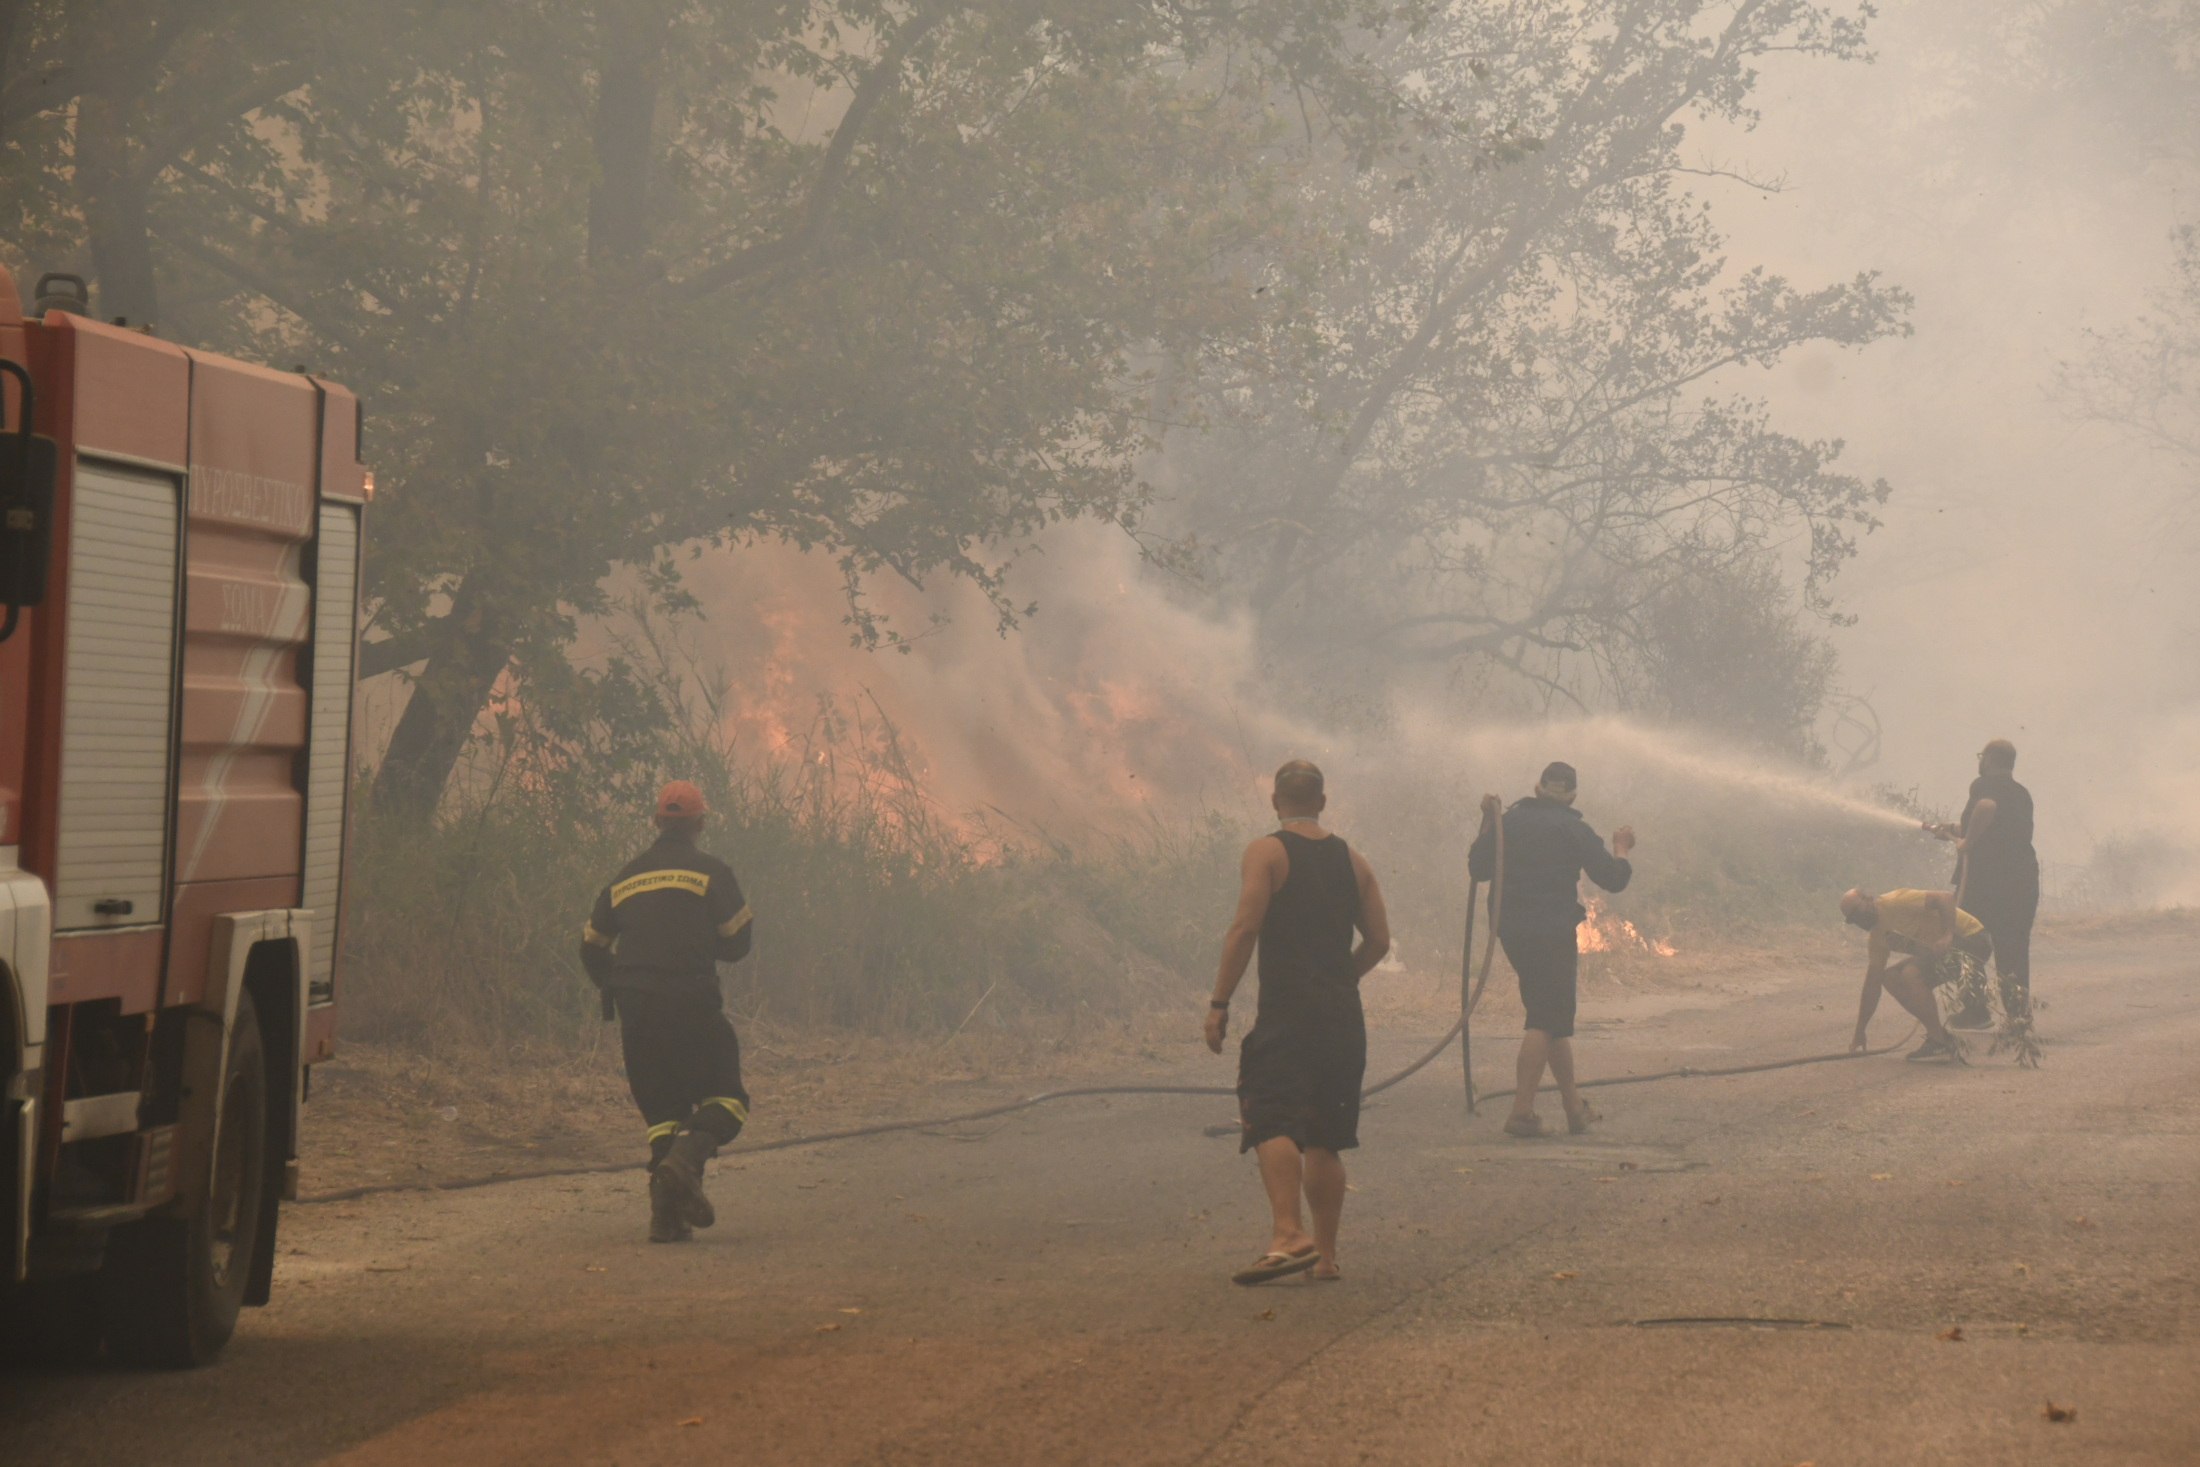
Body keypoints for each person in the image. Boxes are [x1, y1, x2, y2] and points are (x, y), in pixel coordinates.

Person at [1205, 760, 1391, 1286]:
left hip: (1287, 1011)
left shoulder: (1267, 851)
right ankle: (1325, 1258)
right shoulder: (1354, 861)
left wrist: (1219, 1003)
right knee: (1324, 1135)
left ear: (1275, 802)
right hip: (1340, 1016)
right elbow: (1379, 939)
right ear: (1323, 803)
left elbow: (1245, 926)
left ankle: (1288, 1235)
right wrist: (1341, 978)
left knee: (1270, 1115)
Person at [581, 780, 756, 1243]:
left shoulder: (625, 878)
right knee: (727, 1099)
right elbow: (739, 942)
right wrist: (694, 946)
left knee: (662, 1112)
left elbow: (591, 946)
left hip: (636, 1008)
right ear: (699, 824)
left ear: (658, 822)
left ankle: (666, 1216)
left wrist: (618, 982)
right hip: (690, 1000)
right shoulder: (710, 873)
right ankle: (686, 1160)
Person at [1467, 762, 1634, 1139]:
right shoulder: (1573, 829)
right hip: (1552, 932)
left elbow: (1478, 868)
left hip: (1509, 930)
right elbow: (1613, 878)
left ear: (1537, 788)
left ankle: (1574, 1109)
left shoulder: (1509, 822)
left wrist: (1488, 822)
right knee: (1545, 1017)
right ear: (1572, 796)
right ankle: (1521, 1112)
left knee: (1552, 1015)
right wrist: (1621, 849)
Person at [1926, 738, 2038, 1027]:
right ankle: (2018, 1017)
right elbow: (1993, 823)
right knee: (2012, 950)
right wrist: (1951, 829)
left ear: (1989, 759)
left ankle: (1975, 1010)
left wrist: (1967, 843)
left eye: (1982, 756)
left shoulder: (1984, 786)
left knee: (1966, 943)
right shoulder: (2021, 794)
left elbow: (1986, 808)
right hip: (2022, 884)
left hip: (1988, 884)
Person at [1838, 887, 1992, 1063]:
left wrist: (1947, 935)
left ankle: (1951, 1031)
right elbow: (1872, 985)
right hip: (1945, 952)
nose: (1858, 919)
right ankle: (1939, 1039)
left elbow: (1945, 898)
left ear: (1869, 899)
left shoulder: (1895, 901)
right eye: (1852, 919)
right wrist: (1860, 1031)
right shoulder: (1877, 939)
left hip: (1972, 939)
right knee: (1890, 977)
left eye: (1858, 911)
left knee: (1911, 974)